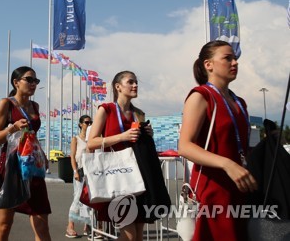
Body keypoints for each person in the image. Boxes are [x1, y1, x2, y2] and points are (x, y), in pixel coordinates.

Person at [178, 40, 257, 240]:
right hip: (213, 191)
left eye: (235, 58)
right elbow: (185, 146)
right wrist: (227, 164)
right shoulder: (201, 96)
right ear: (208, 64)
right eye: (227, 58)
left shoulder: (240, 102)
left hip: (239, 188)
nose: (235, 63)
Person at [87, 71, 170, 241]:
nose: (135, 85)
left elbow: (139, 143)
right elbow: (91, 143)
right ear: (118, 87)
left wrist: (148, 134)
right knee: (130, 235)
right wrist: (122, 136)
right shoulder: (106, 109)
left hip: (139, 178)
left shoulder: (138, 113)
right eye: (130, 82)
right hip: (118, 176)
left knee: (138, 234)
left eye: (136, 82)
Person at [0, 66, 52, 241]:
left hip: (32, 166)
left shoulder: (35, 105)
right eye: (29, 80)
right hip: (12, 168)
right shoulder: (5, 104)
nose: (33, 84)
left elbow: (31, 135)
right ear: (16, 82)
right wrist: (13, 127)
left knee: (42, 224)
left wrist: (42, 154)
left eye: (36, 81)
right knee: (4, 225)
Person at [65, 115, 92, 238]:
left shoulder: (91, 139)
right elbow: (72, 157)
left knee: (89, 199)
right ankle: (70, 226)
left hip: (91, 172)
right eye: (87, 122)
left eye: (91, 122)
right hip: (80, 171)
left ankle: (88, 225)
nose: (89, 124)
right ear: (81, 124)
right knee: (77, 197)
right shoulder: (76, 139)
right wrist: (75, 171)